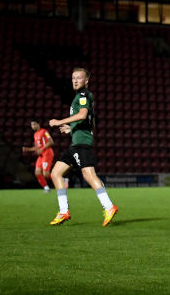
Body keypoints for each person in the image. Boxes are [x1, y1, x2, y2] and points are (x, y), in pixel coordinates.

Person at [47, 68, 119, 226]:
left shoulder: (83, 95)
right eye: (73, 78)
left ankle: (109, 207)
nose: (75, 80)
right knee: (55, 173)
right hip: (76, 145)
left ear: (86, 80)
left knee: (88, 175)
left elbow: (83, 115)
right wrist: (71, 128)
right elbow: (90, 123)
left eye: (79, 78)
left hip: (82, 145)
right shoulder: (81, 97)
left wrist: (60, 122)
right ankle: (63, 211)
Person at [22, 121, 54, 192]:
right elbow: (37, 147)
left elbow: (51, 142)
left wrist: (42, 149)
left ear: (38, 124)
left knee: (46, 174)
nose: (32, 126)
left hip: (47, 153)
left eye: (33, 124)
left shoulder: (44, 131)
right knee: (37, 173)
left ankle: (62, 179)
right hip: (41, 155)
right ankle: (47, 188)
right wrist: (28, 149)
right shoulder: (35, 134)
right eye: (31, 125)